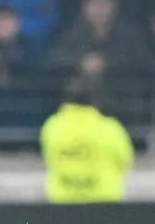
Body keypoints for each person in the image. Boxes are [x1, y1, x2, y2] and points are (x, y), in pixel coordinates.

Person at [40, 62, 135, 203]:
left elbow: (49, 157)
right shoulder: (110, 128)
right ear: (96, 101)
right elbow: (126, 161)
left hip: (63, 201)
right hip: (104, 201)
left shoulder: (52, 126)